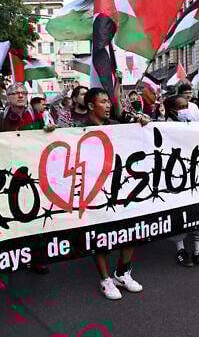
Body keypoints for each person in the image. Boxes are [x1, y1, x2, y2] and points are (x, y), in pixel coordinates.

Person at [79, 88, 146, 300]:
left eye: (109, 101)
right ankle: (105, 279)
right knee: (100, 237)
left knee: (131, 231)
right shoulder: (77, 130)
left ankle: (123, 272)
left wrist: (142, 122)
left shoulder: (117, 126)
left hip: (121, 188)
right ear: (91, 105)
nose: (108, 105)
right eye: (103, 102)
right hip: (95, 191)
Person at [164, 95, 199, 268]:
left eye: (186, 105)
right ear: (172, 110)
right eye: (180, 107)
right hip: (177, 177)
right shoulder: (164, 127)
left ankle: (198, 251)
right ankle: (180, 249)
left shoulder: (195, 125)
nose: (185, 110)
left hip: (197, 174)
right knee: (180, 212)